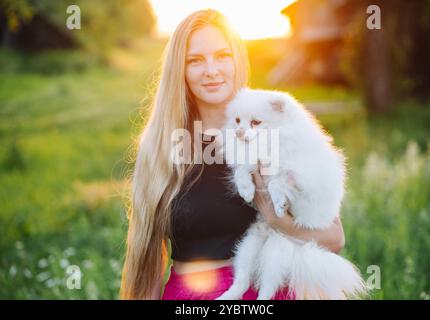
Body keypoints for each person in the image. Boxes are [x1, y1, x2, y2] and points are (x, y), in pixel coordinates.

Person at [120, 9, 346, 300]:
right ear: (180, 70)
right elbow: (149, 260)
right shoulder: (162, 145)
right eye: (195, 60)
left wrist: (278, 221)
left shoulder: (277, 134)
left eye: (223, 56)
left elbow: (334, 239)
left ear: (237, 59)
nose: (212, 70)